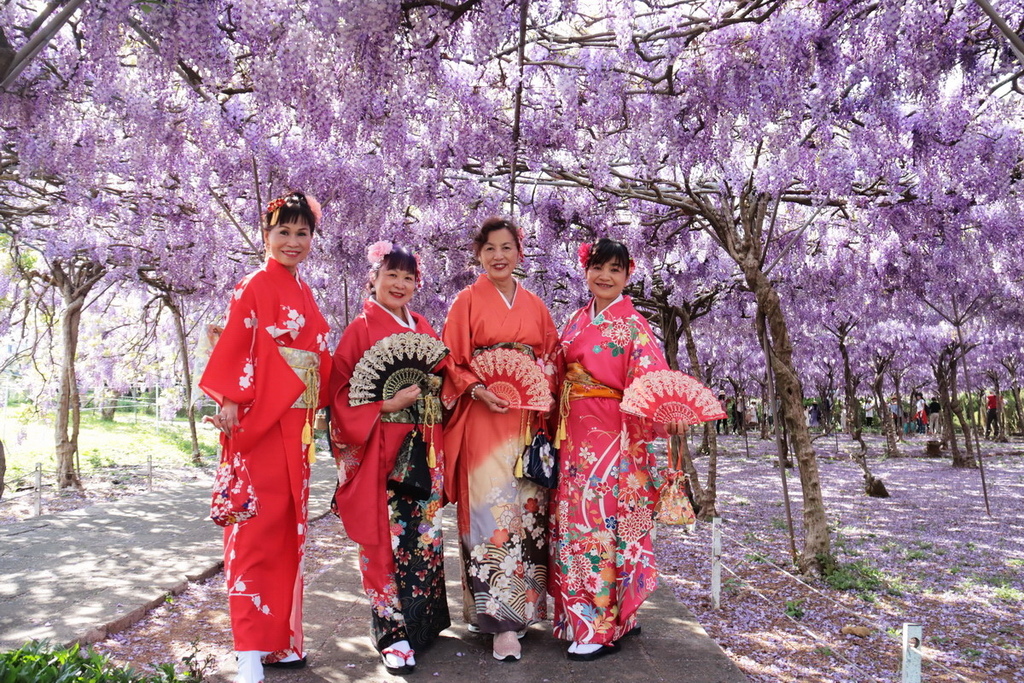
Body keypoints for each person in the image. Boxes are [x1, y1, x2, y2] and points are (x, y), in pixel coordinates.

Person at [199, 191, 331, 683]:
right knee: (253, 530)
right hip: (258, 418)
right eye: (284, 231)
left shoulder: (305, 291)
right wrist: (230, 396)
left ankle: (281, 642)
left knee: (288, 531)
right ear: (265, 234)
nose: (293, 242)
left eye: (302, 233)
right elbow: (237, 342)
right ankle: (249, 649)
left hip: (295, 428)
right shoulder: (253, 284)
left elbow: (319, 357)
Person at [549, 238, 687, 662]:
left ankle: (600, 623)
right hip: (573, 437)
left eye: (615, 269)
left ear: (628, 275)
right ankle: (607, 615)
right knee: (576, 524)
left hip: (614, 440)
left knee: (602, 525)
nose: (604, 276)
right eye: (597, 267)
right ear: (585, 271)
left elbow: (650, 382)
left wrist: (667, 413)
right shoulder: (574, 320)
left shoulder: (633, 324)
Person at [440, 217, 560, 662]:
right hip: (482, 417)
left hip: (526, 421)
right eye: (490, 248)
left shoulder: (535, 305)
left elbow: (551, 358)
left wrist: (539, 387)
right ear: (478, 253)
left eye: (506, 247)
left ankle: (521, 610)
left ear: (519, 253)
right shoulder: (466, 301)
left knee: (527, 515)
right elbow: (451, 357)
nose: (498, 256)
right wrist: (476, 387)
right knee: (492, 513)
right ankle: (498, 623)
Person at [329, 242, 450, 675]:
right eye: (391, 275)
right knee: (384, 540)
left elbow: (440, 381)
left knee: (423, 536)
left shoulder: (422, 327)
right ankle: (393, 634)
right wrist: (386, 403)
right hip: (379, 449)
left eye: (408, 277)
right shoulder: (360, 329)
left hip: (422, 447)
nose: (399, 284)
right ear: (373, 279)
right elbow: (340, 396)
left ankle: (422, 623)